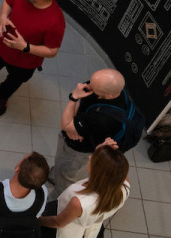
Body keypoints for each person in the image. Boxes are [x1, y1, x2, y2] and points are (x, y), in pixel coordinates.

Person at [50, 69, 127, 199]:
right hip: (80, 135)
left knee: (67, 174)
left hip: (77, 150)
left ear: (109, 96)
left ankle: (58, 198)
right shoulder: (112, 90)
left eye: (94, 87)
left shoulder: (103, 118)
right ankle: (54, 175)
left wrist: (73, 97)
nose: (87, 85)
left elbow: (64, 124)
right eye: (91, 81)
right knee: (61, 166)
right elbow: (70, 122)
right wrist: (71, 127)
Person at [39, 142, 131, 238]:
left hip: (68, 228)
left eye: (93, 159)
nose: (90, 157)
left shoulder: (79, 202)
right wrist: (102, 151)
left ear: (97, 171)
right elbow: (114, 171)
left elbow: (58, 222)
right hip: (89, 228)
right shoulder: (124, 186)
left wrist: (37, 220)